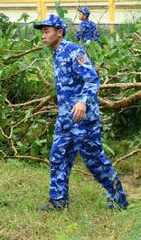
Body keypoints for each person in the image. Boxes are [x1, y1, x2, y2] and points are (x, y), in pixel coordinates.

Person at [34, 14, 128, 210]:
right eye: (42, 32)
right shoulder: (57, 53)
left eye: (47, 31)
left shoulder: (73, 50)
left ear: (59, 32)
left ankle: (119, 201)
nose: (43, 36)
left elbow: (92, 79)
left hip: (83, 120)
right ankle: (58, 202)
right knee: (58, 157)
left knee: (95, 161)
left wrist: (83, 102)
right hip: (66, 119)